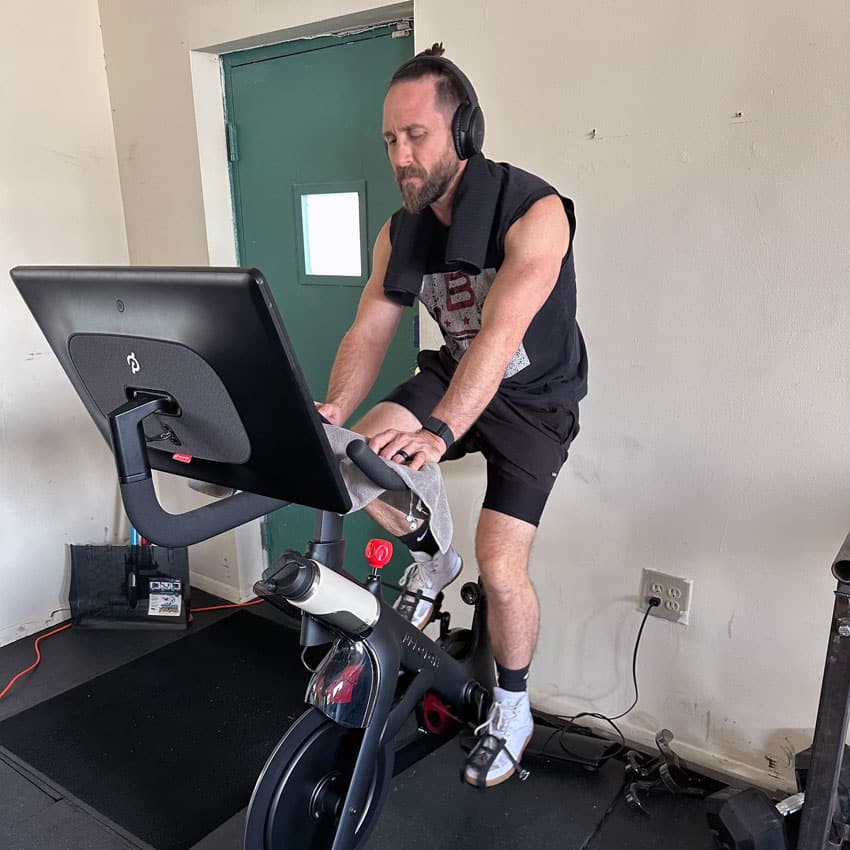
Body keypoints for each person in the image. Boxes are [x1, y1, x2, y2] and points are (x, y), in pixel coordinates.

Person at [316, 43, 587, 788]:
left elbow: (500, 341)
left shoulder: (535, 212)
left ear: (462, 130)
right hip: (455, 371)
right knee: (348, 458)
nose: (401, 155)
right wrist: (337, 408)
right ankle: (435, 557)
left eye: (417, 135)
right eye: (391, 140)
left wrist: (435, 435)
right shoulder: (400, 231)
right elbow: (369, 329)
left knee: (502, 567)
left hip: (535, 398)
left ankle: (512, 706)